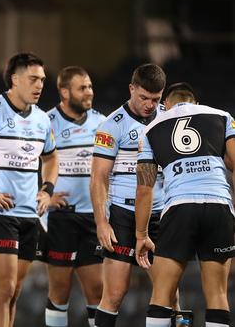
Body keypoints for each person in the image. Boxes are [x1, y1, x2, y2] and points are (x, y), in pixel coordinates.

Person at [135, 82, 235, 327]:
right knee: (218, 295)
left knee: (162, 294)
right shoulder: (222, 117)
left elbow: (145, 187)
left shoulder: (152, 128)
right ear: (196, 103)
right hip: (218, 205)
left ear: (165, 105)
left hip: (179, 207)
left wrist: (141, 234)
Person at [0, 52, 58, 326]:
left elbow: (51, 157)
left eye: (42, 80)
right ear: (14, 78)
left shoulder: (43, 120)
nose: (40, 85)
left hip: (29, 215)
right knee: (5, 288)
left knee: (15, 291)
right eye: (33, 79)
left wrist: (47, 190)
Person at [90, 64, 166, 327]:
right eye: (143, 97)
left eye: (155, 99)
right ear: (132, 89)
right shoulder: (111, 125)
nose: (149, 105)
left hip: (159, 214)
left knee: (168, 295)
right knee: (114, 294)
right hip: (123, 215)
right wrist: (101, 221)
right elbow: (98, 178)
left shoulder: (166, 119)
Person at [44, 66, 105, 327]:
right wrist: (46, 193)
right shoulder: (46, 122)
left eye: (90, 86)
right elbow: (30, 160)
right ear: (65, 91)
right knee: (60, 290)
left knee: (97, 290)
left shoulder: (102, 122)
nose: (89, 92)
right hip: (62, 218)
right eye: (83, 88)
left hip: (93, 217)